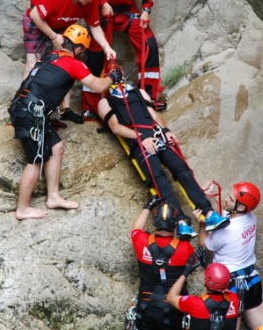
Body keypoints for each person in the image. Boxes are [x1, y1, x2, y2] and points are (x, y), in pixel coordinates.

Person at [8, 24, 123, 220]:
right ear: (79, 49)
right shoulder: (73, 63)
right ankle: (23, 208)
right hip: (32, 111)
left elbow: (50, 84)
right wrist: (113, 75)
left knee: (56, 146)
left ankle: (53, 197)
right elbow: (97, 86)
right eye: (83, 51)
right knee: (36, 160)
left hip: (26, 107)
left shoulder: (50, 56)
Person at [97, 83, 228, 238]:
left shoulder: (140, 93)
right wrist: (141, 137)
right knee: (159, 180)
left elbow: (154, 115)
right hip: (139, 143)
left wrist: (166, 131)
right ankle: (180, 222)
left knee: (182, 170)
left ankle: (209, 212)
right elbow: (116, 128)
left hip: (157, 136)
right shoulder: (105, 102)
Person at [22, 0, 116, 123]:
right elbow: (35, 15)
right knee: (33, 63)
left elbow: (95, 26)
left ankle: (65, 109)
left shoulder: (90, 0)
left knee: (65, 65)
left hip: (59, 26)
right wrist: (53, 37)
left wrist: (106, 47)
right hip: (37, 21)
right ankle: (25, 107)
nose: (89, 2)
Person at [196, 181, 263, 330]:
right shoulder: (249, 217)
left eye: (230, 198)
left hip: (232, 287)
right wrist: (211, 198)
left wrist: (201, 223)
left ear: (240, 207)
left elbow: (205, 246)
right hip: (251, 281)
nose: (226, 199)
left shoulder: (227, 230)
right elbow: (222, 216)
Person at [130, 197, 197, 330]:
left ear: (154, 222)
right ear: (175, 225)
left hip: (146, 307)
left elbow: (135, 231)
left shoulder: (141, 241)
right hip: (172, 309)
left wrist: (147, 206)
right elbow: (190, 257)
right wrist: (184, 239)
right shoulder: (185, 248)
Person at [167, 260, 241, 330]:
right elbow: (222, 287)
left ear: (204, 281)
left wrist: (185, 273)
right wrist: (209, 268)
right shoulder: (234, 299)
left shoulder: (195, 303)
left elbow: (171, 297)